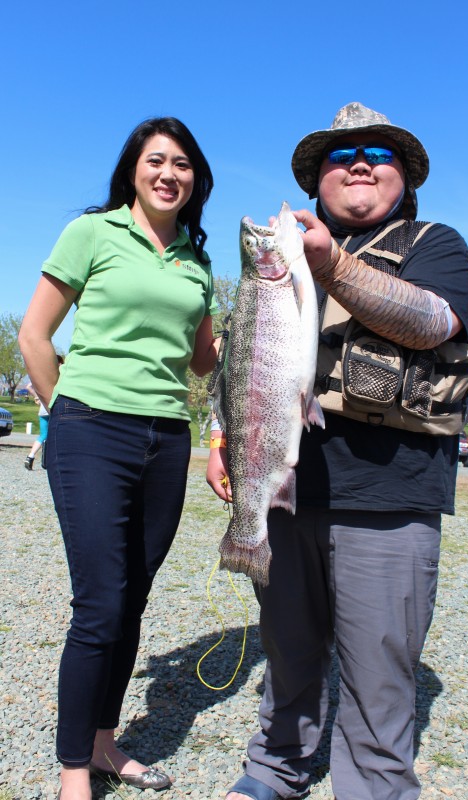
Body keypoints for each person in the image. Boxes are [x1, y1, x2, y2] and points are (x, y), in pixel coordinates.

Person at [207, 102, 468, 800]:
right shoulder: (281, 262)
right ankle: (272, 772)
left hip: (391, 500)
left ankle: (374, 788)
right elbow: (246, 356)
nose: (358, 161)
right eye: (339, 154)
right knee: (287, 655)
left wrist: (328, 265)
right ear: (315, 182)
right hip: (284, 495)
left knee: (378, 673)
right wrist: (223, 437)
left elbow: (432, 323)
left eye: (377, 152)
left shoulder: (434, 244)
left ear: (403, 177)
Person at [18, 117, 219, 800]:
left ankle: (105, 743)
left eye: (182, 163)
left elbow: (203, 359)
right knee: (100, 603)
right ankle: (75, 767)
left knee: (131, 600)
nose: (169, 173)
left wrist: (283, 322)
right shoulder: (93, 233)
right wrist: (64, 411)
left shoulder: (197, 258)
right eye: (156, 160)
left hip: (167, 437)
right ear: (133, 169)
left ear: (196, 179)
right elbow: (35, 333)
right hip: (91, 428)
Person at [24, 354, 64, 470]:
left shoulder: (43, 374)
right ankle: (48, 460)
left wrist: (37, 397)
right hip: (53, 407)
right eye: (61, 362)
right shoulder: (59, 374)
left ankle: (30, 456)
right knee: (55, 434)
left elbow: (28, 386)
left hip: (43, 408)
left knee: (43, 435)